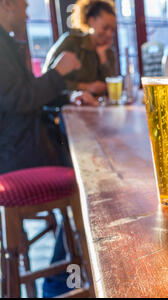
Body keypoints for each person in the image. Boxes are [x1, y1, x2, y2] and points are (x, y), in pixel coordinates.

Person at [0, 0, 96, 174]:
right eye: (25, 7)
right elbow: (19, 99)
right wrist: (57, 72)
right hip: (18, 161)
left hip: (24, 150)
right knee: (86, 169)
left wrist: (69, 97)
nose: (27, 16)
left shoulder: (6, 44)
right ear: (7, 4)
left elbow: (28, 92)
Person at [43, 0, 117, 97]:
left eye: (112, 30)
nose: (109, 34)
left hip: (96, 107)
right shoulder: (71, 42)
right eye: (105, 28)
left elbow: (113, 89)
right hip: (70, 107)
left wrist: (103, 58)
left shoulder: (108, 52)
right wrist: (86, 87)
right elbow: (49, 81)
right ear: (91, 21)